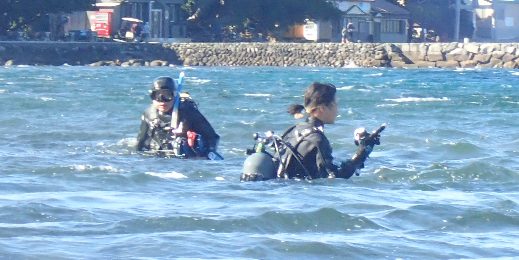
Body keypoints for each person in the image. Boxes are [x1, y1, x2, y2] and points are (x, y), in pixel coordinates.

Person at [241, 81, 382, 181]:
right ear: (322, 109)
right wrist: (362, 152)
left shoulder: (294, 129)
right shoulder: (317, 139)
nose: (338, 110)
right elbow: (334, 177)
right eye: (335, 105)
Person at [136, 76, 220, 157]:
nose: (162, 101)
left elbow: (213, 138)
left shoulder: (188, 113)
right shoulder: (149, 114)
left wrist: (204, 156)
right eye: (157, 96)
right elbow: (140, 141)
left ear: (174, 96)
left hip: (184, 160)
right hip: (157, 158)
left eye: (167, 95)